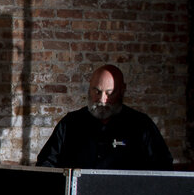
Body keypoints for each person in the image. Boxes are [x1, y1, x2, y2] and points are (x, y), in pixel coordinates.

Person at [35, 64, 173, 170]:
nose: (102, 99)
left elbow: (162, 168)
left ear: (122, 91)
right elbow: (46, 164)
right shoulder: (70, 123)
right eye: (97, 91)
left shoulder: (141, 126)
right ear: (89, 89)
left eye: (109, 93)